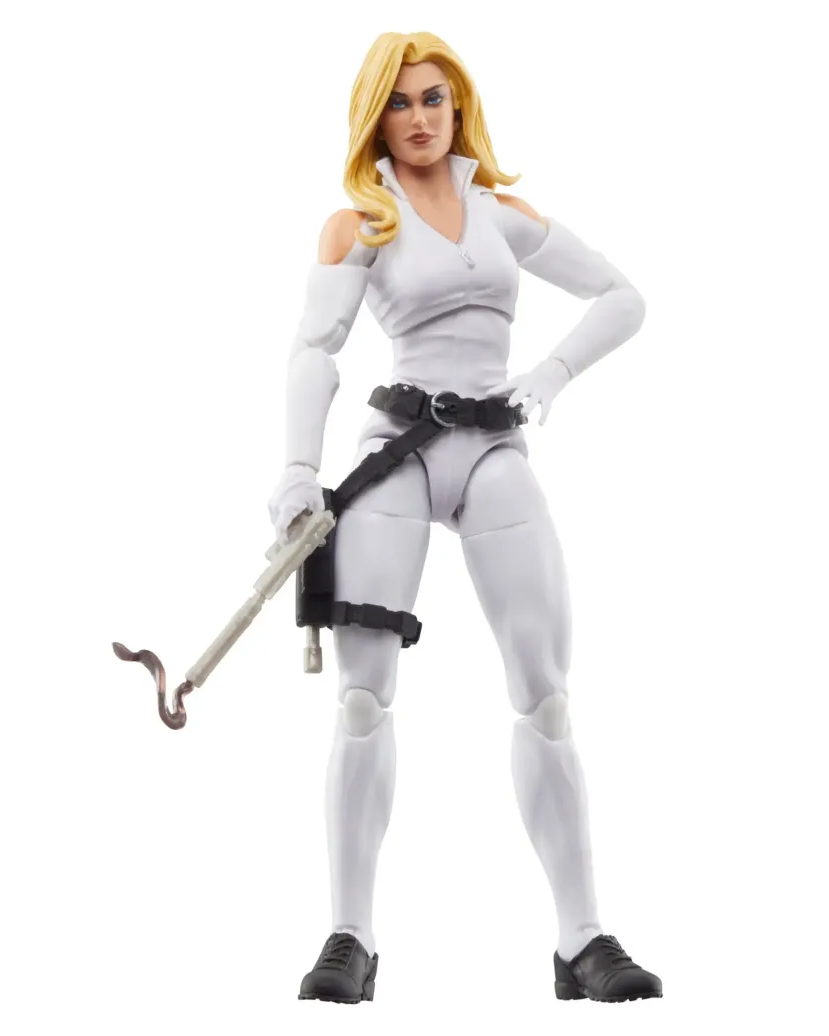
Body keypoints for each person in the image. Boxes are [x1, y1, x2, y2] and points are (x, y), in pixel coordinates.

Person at [267, 30, 661, 1004]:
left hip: (492, 449)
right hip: (396, 452)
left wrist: (550, 375)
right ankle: (349, 934)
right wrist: (297, 471)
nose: (419, 118)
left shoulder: (499, 211)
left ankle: (582, 937)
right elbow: (314, 349)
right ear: (375, 117)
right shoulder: (360, 221)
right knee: (362, 700)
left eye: (433, 98)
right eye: (399, 103)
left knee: (546, 693)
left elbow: (622, 297)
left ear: (458, 105)